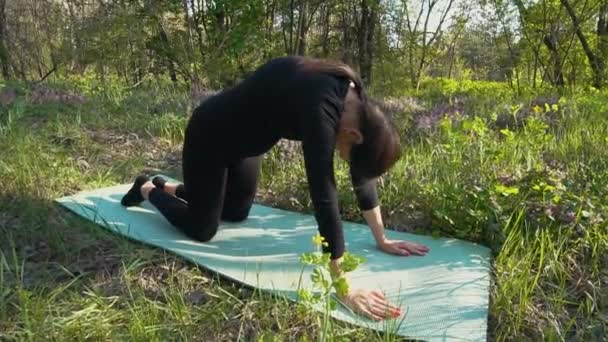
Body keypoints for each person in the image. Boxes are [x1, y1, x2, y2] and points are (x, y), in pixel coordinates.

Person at [121, 56, 429, 321]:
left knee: (236, 212)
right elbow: (324, 194)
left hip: (245, 147)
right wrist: (343, 287)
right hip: (210, 135)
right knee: (203, 229)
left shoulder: (356, 104)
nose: (342, 158)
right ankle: (148, 187)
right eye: (347, 156)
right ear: (353, 135)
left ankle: (175, 187)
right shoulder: (322, 107)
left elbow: (362, 177)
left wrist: (382, 238)